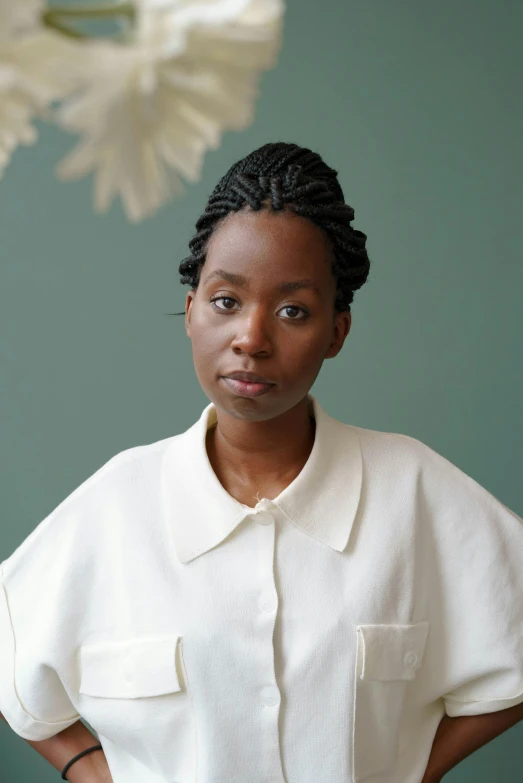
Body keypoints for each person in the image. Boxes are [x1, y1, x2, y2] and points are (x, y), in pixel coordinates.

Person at [1, 141, 522, 783]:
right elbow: (15, 659)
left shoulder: (412, 488)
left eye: (292, 311)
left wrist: (415, 770)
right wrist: (88, 768)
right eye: (226, 301)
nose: (251, 338)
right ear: (190, 312)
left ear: (337, 330)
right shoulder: (116, 503)